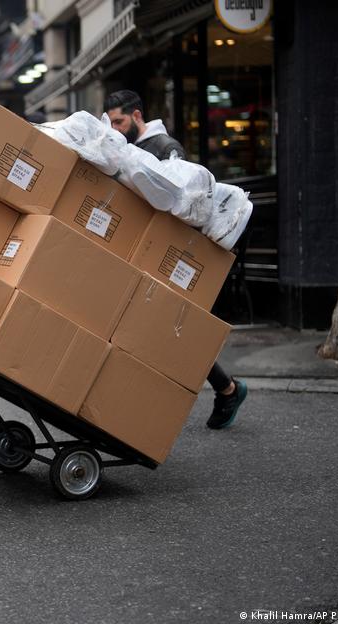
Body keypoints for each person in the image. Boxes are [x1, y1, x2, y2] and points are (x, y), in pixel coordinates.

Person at [105, 89, 247, 430]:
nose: (115, 127)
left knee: (173, 329)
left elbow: (184, 206)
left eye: (120, 121)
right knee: (165, 328)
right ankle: (224, 389)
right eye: (110, 122)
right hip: (142, 249)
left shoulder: (165, 148)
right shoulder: (129, 148)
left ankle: (227, 389)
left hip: (170, 254)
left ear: (137, 116)